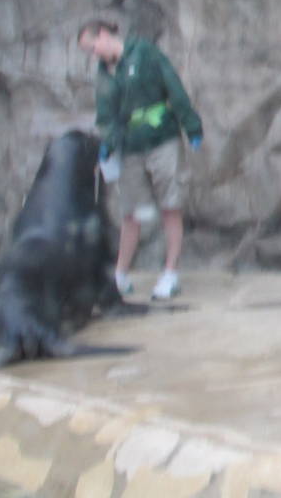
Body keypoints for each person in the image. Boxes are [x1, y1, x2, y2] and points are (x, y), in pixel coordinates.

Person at [77, 16, 204, 300]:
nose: (93, 54)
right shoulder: (104, 75)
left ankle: (170, 273)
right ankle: (120, 275)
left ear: (104, 35)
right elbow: (106, 117)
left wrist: (191, 124)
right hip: (130, 149)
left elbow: (173, 86)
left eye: (92, 47)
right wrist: (107, 144)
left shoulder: (144, 53)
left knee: (170, 206)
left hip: (162, 141)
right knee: (130, 213)